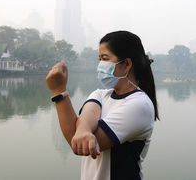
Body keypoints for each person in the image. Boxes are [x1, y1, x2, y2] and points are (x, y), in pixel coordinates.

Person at [45, 31, 159, 180]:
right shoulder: (100, 94)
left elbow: (80, 145)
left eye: (105, 58)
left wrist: (58, 91)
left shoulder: (140, 106)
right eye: (99, 59)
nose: (100, 65)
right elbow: (81, 129)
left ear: (126, 64)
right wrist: (84, 130)